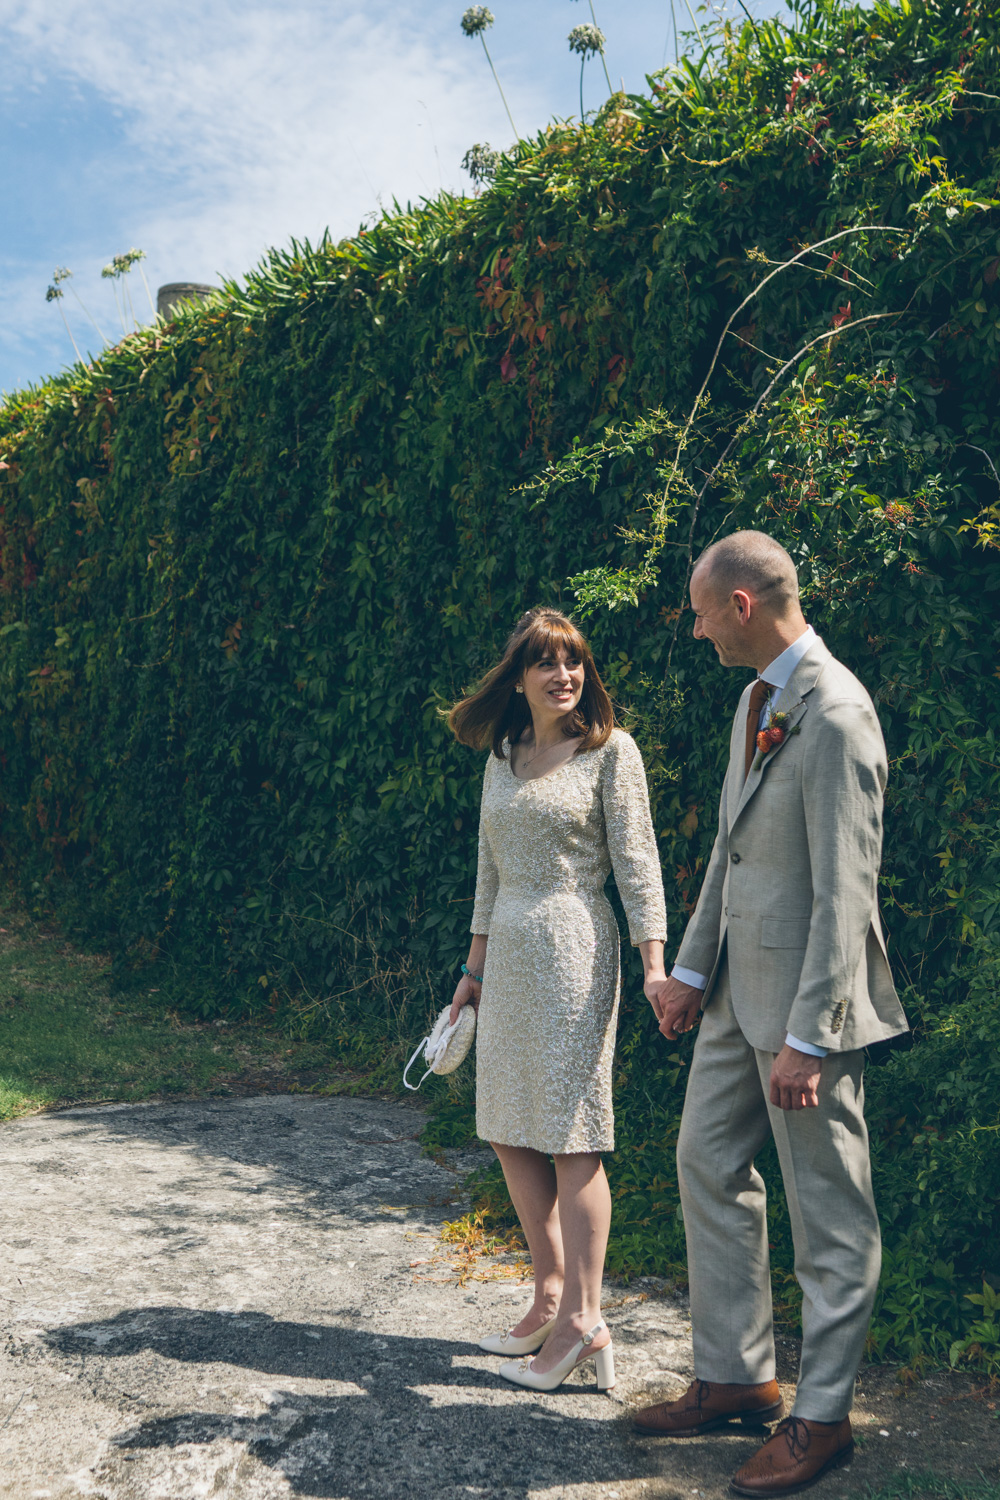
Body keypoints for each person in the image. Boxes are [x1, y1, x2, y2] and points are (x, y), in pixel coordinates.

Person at [633, 532, 908, 1496]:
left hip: (803, 1021)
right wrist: (691, 974)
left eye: (702, 610)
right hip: (729, 1005)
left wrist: (812, 1038)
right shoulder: (756, 701)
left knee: (829, 1217)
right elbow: (729, 852)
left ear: (742, 606)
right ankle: (738, 1377)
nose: (696, 626)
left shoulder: (834, 713)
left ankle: (822, 1419)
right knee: (705, 1162)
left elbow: (846, 891)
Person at [448, 607, 668, 1393]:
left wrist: (654, 965)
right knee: (509, 1123)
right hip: (507, 952)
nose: (564, 675)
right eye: (546, 663)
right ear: (519, 677)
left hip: (577, 948)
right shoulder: (501, 759)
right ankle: (548, 1292)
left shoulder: (613, 754)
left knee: (574, 1133)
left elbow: (639, 865)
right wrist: (471, 975)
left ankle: (585, 1317)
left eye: (573, 662)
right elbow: (487, 874)